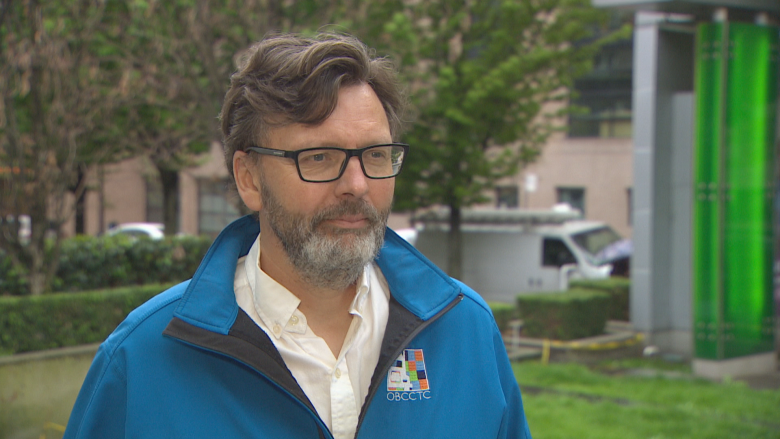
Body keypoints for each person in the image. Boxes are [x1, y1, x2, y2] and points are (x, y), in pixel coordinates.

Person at [63, 32, 532, 439]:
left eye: (375, 155)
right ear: (249, 178)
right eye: (320, 157)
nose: (357, 185)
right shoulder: (144, 361)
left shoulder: (466, 333)